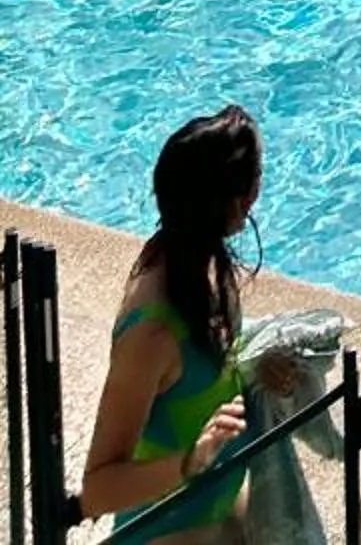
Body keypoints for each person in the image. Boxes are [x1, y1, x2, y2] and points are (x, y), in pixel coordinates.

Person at [80, 104, 274, 541]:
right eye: (254, 179)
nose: (257, 193)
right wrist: (190, 461)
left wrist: (262, 366)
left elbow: (210, 379)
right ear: (229, 199)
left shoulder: (203, 266)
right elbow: (97, 490)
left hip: (225, 519)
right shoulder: (153, 332)